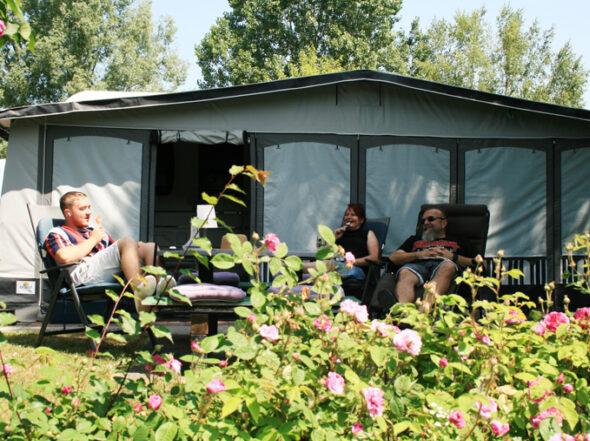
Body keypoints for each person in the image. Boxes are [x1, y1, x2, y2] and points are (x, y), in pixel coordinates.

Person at [45, 191, 175, 312]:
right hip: (81, 276)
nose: (88, 212)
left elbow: (118, 253)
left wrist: (135, 247)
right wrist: (94, 240)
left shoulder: (95, 232)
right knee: (126, 241)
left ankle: (160, 288)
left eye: (89, 207)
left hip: (104, 272)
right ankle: (139, 289)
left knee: (149, 247)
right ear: (68, 213)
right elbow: (64, 257)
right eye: (82, 209)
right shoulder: (58, 232)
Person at [376, 207, 476, 308]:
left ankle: (423, 313)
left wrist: (453, 257)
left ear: (443, 223)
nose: (426, 222)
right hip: (417, 266)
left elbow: (479, 263)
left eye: (431, 219)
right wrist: (419, 254)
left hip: (444, 266)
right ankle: (404, 313)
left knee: (448, 266)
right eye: (423, 220)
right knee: (406, 272)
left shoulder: (459, 241)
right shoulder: (414, 239)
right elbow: (394, 257)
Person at [306, 204, 379, 284]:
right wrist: (334, 238)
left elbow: (374, 258)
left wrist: (352, 262)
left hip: (355, 269)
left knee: (327, 265)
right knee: (324, 266)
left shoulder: (368, 233)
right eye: (347, 215)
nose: (349, 217)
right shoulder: (341, 234)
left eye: (353, 215)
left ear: (362, 220)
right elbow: (324, 254)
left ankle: (299, 269)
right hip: (334, 266)